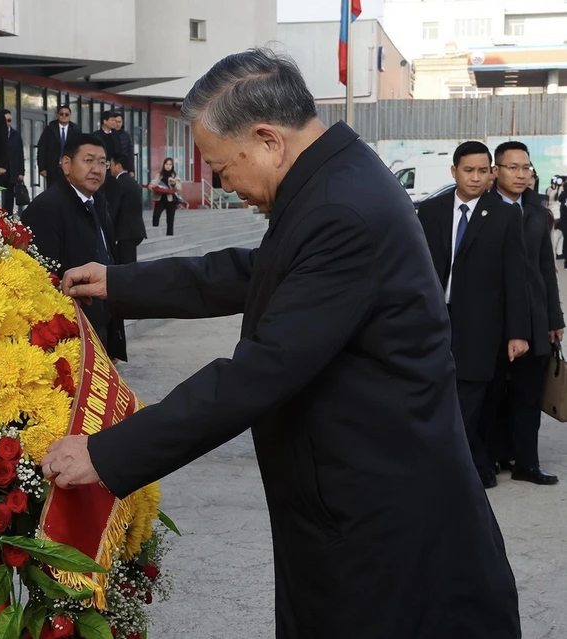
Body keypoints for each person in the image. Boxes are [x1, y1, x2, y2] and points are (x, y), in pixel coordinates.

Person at [42, 49, 521, 638]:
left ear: (268, 140)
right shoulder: (332, 180)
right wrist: (119, 282)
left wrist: (107, 452)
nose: (222, 181)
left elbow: (260, 371)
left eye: (222, 166)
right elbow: (254, 271)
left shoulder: (340, 207)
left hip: (378, 516)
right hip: (351, 496)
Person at [417, 141, 530, 489]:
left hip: (481, 326)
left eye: (484, 170)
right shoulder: (431, 211)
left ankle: (460, 471)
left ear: (491, 172)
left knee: (471, 398)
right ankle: (472, 465)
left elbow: (516, 276)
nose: (477, 178)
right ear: (454, 172)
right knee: (437, 392)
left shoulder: (505, 214)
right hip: (435, 320)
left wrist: (518, 332)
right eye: (469, 170)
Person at [486, 141, 563, 486]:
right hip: (493, 319)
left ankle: (526, 463)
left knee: (529, 394)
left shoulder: (536, 209)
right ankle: (490, 458)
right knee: (491, 394)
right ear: (496, 170)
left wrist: (555, 318)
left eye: (526, 168)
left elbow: (546, 268)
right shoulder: (482, 208)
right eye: (512, 167)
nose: (521, 174)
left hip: (534, 317)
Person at [21, 134, 127, 361]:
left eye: (102, 162)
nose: (97, 169)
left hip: (101, 325)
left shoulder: (96, 201)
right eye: (88, 161)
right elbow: (43, 281)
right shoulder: (45, 208)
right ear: (66, 165)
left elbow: (108, 259)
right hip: (72, 334)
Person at [109, 152, 146, 264]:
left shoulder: (119, 183)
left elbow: (114, 209)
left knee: (126, 267)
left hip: (125, 232)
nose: (109, 167)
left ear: (118, 166)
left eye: (111, 164)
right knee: (130, 264)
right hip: (135, 230)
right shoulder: (133, 182)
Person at [36, 104, 81, 188]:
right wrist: (42, 168)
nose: (64, 116)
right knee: (53, 192)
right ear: (57, 115)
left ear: (70, 116)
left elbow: (80, 149)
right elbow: (42, 149)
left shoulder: (76, 130)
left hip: (70, 168)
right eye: (61, 114)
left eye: (66, 114)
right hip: (53, 168)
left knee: (69, 192)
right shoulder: (49, 129)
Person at [0, 109, 25, 213]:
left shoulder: (16, 135)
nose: (7, 123)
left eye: (9, 120)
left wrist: (21, 172)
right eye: (4, 120)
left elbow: (20, 154)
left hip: (12, 172)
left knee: (9, 199)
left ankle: (7, 221)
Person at [149, 158, 181, 235]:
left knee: (170, 219)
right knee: (155, 216)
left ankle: (169, 236)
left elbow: (179, 188)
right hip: (160, 199)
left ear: (172, 166)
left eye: (170, 164)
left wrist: (174, 184)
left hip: (171, 200)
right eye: (166, 164)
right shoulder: (159, 175)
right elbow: (153, 183)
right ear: (163, 165)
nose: (168, 166)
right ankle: (155, 233)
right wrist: (151, 186)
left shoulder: (175, 176)